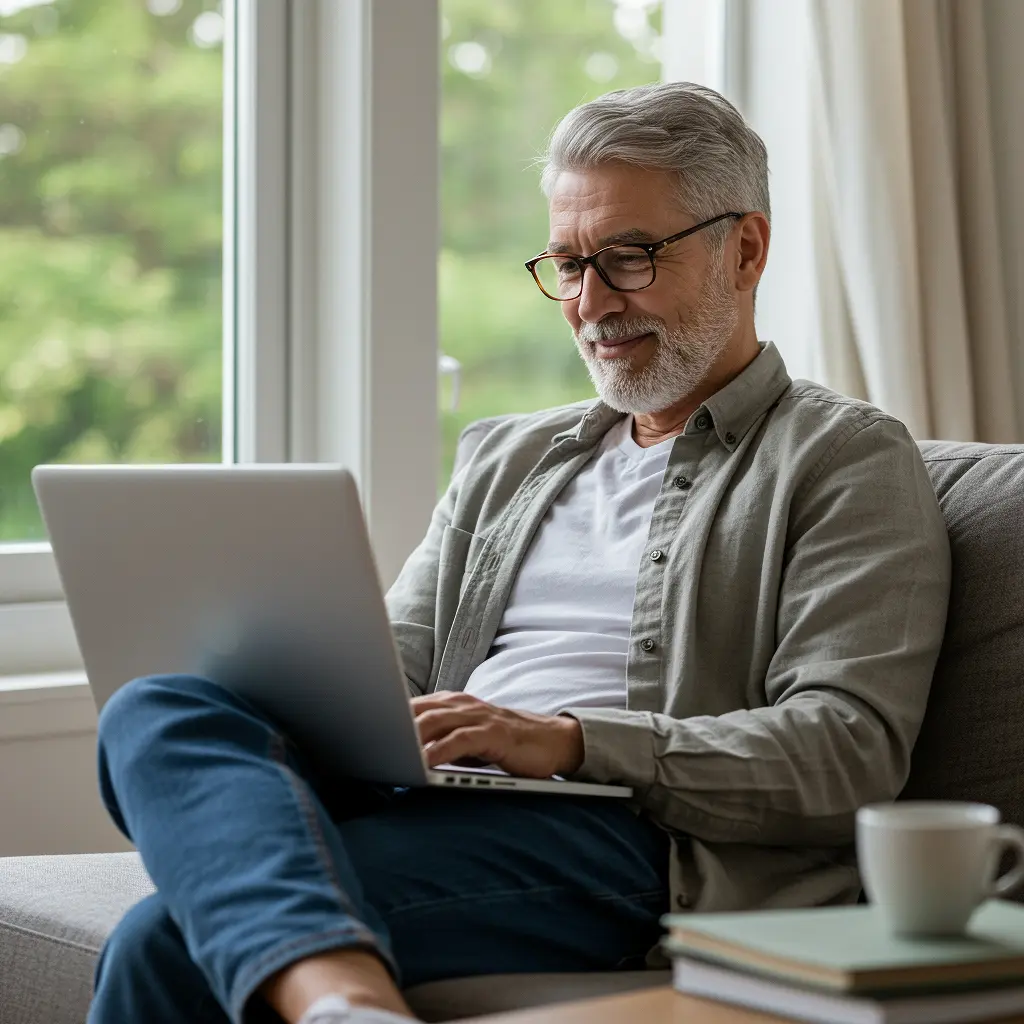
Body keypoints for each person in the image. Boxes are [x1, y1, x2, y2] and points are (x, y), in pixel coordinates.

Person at [88, 82, 951, 1024]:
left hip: (623, 835)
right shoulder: (508, 457)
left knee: (163, 942)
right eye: (567, 264)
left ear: (745, 249)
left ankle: (339, 997)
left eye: (627, 258)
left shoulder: (844, 456)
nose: (589, 303)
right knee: (160, 706)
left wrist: (568, 741)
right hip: (431, 796)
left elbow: (850, 750)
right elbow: (393, 663)